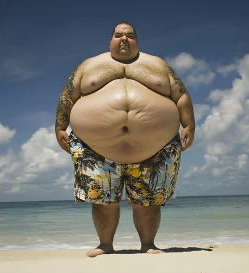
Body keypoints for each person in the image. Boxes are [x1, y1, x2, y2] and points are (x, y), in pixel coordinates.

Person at [55, 22, 195, 257]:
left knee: (148, 201)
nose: (124, 39)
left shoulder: (157, 64)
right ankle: (105, 245)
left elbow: (180, 95)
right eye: (118, 35)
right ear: (110, 40)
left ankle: (148, 244)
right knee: (102, 201)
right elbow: (68, 95)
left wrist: (189, 124)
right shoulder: (89, 65)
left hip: (156, 148)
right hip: (94, 148)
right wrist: (60, 126)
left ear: (136, 41)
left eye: (130, 36)